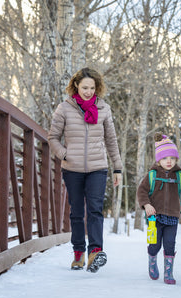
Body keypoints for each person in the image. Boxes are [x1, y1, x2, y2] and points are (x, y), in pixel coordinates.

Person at [48, 67, 123, 273]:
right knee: (77, 212)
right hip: (72, 168)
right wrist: (65, 154)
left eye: (92, 87)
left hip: (98, 167)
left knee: (95, 209)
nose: (88, 91)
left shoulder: (104, 109)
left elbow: (111, 139)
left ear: (97, 88)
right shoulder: (64, 108)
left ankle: (95, 252)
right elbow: (52, 137)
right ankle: (78, 254)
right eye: (84, 87)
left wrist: (118, 167)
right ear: (76, 87)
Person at [137, 132, 181, 285]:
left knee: (170, 244)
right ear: (159, 159)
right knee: (155, 244)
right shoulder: (152, 174)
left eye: (172, 158)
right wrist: (146, 204)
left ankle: (168, 273)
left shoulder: (179, 175)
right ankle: (152, 261)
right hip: (154, 217)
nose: (169, 161)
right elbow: (142, 190)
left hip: (172, 216)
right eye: (165, 158)